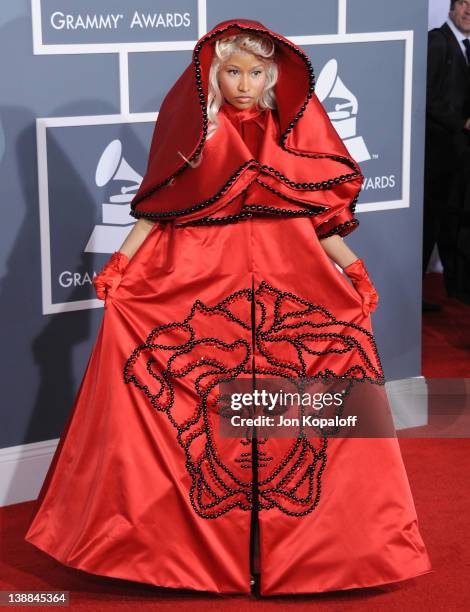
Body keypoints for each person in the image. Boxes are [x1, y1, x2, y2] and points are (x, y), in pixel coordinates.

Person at [24, 18, 432, 595]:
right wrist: (120, 264)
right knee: (196, 412)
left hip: (292, 282)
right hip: (200, 281)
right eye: (233, 71)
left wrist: (353, 266)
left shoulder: (289, 134)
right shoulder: (197, 134)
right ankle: (193, 553)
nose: (244, 83)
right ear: (214, 76)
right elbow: (158, 207)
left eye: (256, 72)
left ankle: (307, 552)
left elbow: (315, 221)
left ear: (272, 77)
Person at [423, 0, 470, 310]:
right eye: (464, 3)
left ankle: (458, 291)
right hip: (435, 156)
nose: (469, 10)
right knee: (428, 226)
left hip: (460, 156)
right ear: (452, 8)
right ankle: (413, 296)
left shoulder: (467, 47)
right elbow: (425, 95)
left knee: (455, 223)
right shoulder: (436, 42)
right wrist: (462, 121)